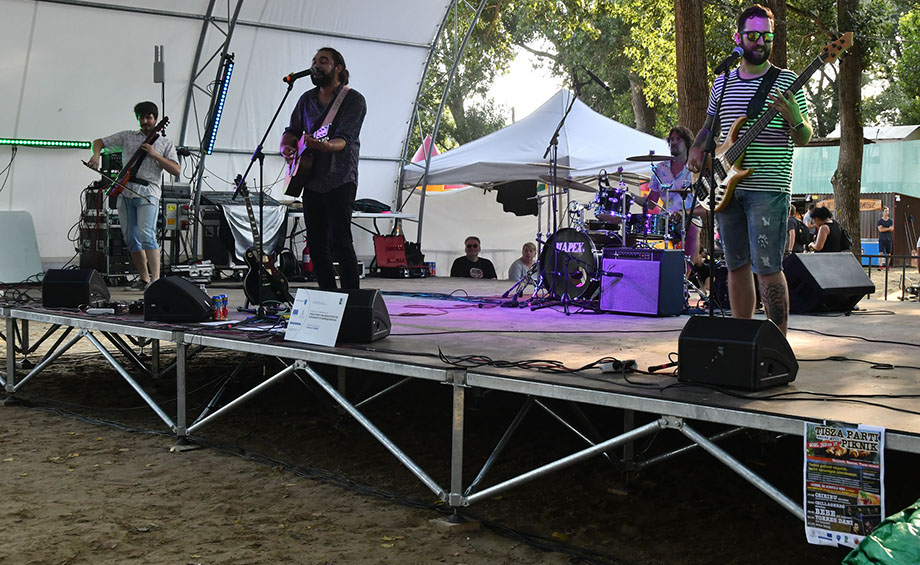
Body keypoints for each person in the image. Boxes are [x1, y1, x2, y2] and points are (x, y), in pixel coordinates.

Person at [687, 4, 812, 335]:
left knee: (767, 267)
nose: (761, 42)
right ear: (738, 38)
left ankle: (777, 343)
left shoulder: (786, 80)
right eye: (754, 35)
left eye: (767, 36)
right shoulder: (722, 82)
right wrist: (697, 148)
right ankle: (741, 340)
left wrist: (794, 119)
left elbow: (803, 136)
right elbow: (710, 128)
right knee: (736, 265)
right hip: (725, 186)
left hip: (768, 187)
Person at [280, 47, 367, 290]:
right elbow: (292, 131)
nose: (316, 65)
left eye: (323, 61)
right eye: (314, 61)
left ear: (338, 68)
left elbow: (346, 138)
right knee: (316, 245)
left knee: (340, 241)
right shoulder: (306, 99)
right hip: (310, 179)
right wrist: (286, 148)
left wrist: (327, 145)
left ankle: (351, 299)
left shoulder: (353, 100)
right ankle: (328, 296)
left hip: (340, 178)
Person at [87, 101, 179, 290]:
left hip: (148, 193)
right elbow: (98, 142)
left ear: (155, 118)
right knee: (130, 238)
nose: (145, 121)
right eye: (141, 118)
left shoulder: (165, 143)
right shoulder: (127, 136)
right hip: (125, 191)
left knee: (147, 234)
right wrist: (96, 155)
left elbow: (176, 170)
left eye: (148, 117)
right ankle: (144, 279)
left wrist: (155, 155)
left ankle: (156, 281)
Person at [646, 125, 706, 269]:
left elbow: (706, 207)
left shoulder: (696, 169)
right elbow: (651, 202)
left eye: (678, 139)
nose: (673, 142)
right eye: (671, 140)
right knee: (635, 230)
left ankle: (684, 276)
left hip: (689, 217)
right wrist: (629, 197)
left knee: (692, 229)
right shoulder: (660, 168)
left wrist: (684, 212)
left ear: (687, 143)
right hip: (664, 218)